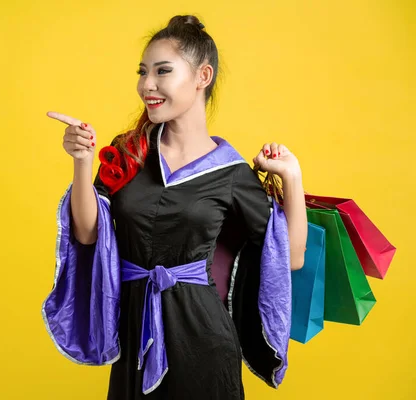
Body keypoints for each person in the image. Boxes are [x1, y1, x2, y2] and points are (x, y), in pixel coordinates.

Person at [42, 14, 308, 400]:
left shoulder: (229, 172)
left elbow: (292, 256)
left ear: (203, 76)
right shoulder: (130, 150)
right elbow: (86, 232)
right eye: (142, 72)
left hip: (203, 338)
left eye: (162, 71)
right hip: (135, 333)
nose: (146, 85)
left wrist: (292, 178)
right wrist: (82, 160)